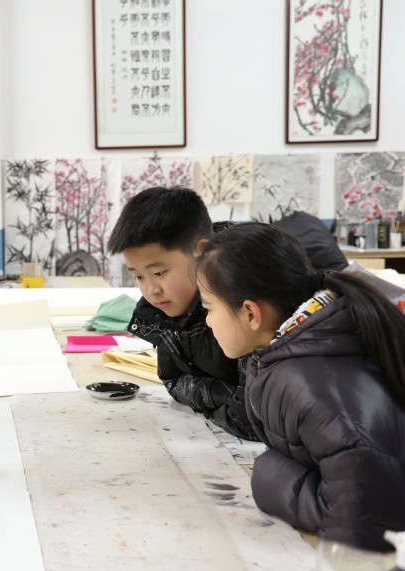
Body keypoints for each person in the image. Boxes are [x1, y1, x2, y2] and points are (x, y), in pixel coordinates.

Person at [195, 222, 405, 551]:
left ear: (250, 313)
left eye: (208, 308)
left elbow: (356, 512)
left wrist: (268, 476)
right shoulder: (284, 353)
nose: (207, 321)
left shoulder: (304, 383)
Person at [107, 187, 257, 441]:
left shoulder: (244, 298)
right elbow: (172, 380)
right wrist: (223, 397)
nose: (151, 290)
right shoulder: (169, 309)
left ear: (202, 251)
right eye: (139, 276)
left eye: (159, 273)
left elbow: (251, 417)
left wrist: (209, 401)